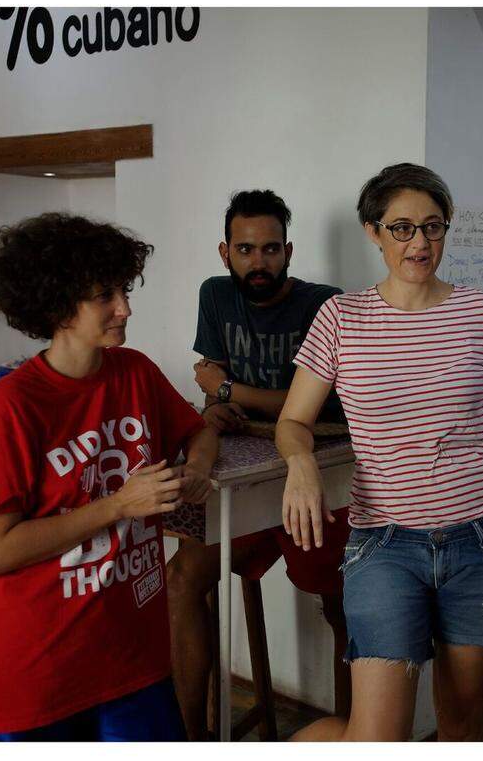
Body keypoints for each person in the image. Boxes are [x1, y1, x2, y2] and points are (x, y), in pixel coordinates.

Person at [276, 163, 483, 741]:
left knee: (460, 728)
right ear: (373, 231)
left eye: (434, 227)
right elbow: (293, 421)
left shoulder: (480, 310)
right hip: (386, 542)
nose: (420, 243)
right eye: (402, 228)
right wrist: (300, 464)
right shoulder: (341, 318)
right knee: (375, 738)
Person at [0, 213, 218, 741]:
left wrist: (197, 469)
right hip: (37, 674)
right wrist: (119, 505)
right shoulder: (11, 409)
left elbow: (198, 430)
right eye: (104, 295)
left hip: (131, 661)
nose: (125, 307)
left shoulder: (134, 371)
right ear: (57, 306)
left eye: (123, 288)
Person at [167, 189, 350, 740]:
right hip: (247, 479)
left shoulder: (326, 304)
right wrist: (221, 405)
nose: (259, 262)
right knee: (182, 577)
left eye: (271, 249)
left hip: (318, 475)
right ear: (225, 252)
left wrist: (230, 390)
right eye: (246, 250)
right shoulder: (216, 295)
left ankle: (358, 734)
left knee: (346, 608)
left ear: (288, 250)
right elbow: (212, 388)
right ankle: (191, 739)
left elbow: (324, 400)